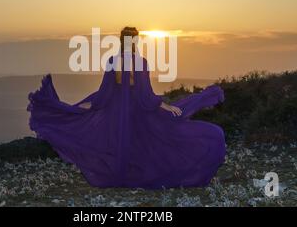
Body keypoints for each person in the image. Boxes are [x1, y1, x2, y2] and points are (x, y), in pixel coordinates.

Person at [28, 27, 226, 189]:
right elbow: (145, 96)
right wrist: (164, 105)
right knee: (162, 139)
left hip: (116, 112)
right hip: (138, 111)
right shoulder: (140, 62)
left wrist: (87, 106)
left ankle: (128, 174)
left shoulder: (113, 61)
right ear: (135, 41)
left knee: (127, 144)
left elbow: (105, 92)